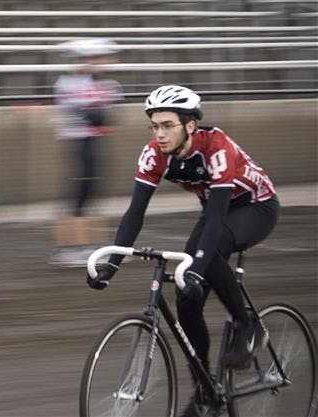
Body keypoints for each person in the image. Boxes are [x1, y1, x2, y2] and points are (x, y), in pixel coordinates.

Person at [86, 85, 279, 416]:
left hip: (255, 207)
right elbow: (135, 213)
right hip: (216, 213)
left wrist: (195, 267)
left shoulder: (216, 147)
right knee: (187, 299)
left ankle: (248, 325)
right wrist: (112, 263)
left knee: (206, 256)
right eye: (155, 126)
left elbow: (217, 218)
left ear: (190, 125)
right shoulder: (154, 154)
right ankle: (206, 389)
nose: (159, 134)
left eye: (167, 125)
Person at [50, 38, 123, 266]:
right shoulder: (70, 83)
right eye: (98, 58)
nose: (103, 63)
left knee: (92, 194)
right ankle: (71, 248)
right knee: (79, 196)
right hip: (80, 142)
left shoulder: (103, 84)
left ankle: (93, 246)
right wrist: (97, 111)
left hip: (94, 142)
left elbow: (106, 117)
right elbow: (93, 115)